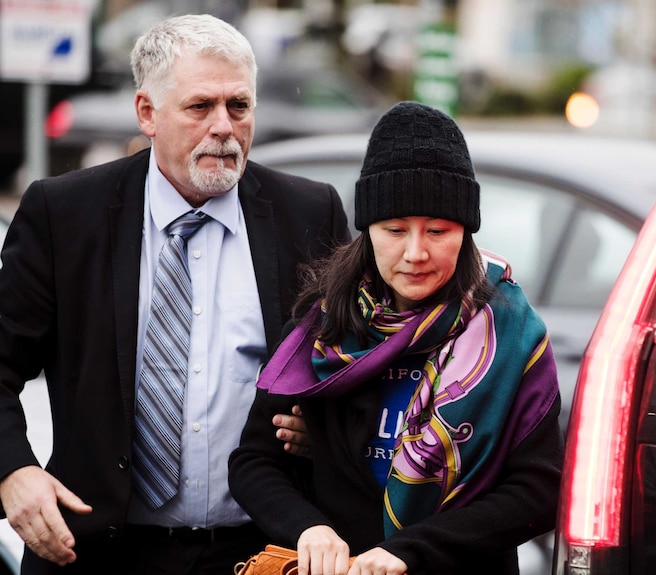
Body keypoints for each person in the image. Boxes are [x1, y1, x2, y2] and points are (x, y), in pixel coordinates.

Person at [0, 14, 349, 575]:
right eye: (199, 106)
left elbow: (352, 367)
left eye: (239, 106)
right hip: (94, 549)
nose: (224, 128)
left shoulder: (309, 213)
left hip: (260, 550)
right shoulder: (64, 215)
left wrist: (327, 430)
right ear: (147, 113)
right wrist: (12, 471)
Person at [228, 101, 563, 575]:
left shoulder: (510, 334)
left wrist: (411, 551)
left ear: (466, 231)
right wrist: (309, 528)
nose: (415, 252)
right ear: (367, 230)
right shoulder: (325, 329)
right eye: (395, 230)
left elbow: (538, 490)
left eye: (438, 230)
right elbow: (255, 461)